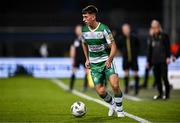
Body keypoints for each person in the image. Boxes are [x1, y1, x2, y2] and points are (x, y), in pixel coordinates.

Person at [81, 5, 125, 117]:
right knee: (100, 91)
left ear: (93, 17)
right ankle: (112, 103)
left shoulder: (104, 29)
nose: (84, 19)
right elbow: (84, 43)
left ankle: (120, 110)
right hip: (94, 64)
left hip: (106, 60)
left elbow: (113, 46)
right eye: (83, 17)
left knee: (115, 85)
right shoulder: (84, 30)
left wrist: (110, 59)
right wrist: (87, 59)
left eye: (86, 17)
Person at [147, 20, 171, 100]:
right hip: (155, 61)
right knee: (157, 79)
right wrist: (148, 61)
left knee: (164, 77)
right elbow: (149, 50)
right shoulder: (151, 37)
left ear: (158, 27)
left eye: (155, 27)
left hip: (163, 60)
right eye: (153, 27)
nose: (154, 29)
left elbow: (168, 47)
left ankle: (166, 95)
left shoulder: (164, 36)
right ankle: (160, 94)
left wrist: (168, 57)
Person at [117, 24, 140, 95]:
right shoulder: (121, 38)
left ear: (129, 29)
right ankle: (126, 88)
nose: (126, 31)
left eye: (127, 29)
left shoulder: (134, 37)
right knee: (126, 73)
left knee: (135, 73)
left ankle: (136, 88)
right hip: (125, 58)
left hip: (134, 58)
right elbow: (118, 47)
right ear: (123, 31)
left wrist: (136, 52)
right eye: (124, 30)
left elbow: (138, 45)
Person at [69, 25, 88, 92]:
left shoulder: (85, 38)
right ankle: (70, 88)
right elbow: (72, 49)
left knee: (87, 72)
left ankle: (85, 87)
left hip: (84, 58)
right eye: (76, 30)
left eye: (79, 29)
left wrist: (88, 59)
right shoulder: (74, 40)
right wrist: (72, 59)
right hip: (76, 59)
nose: (78, 31)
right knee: (73, 71)